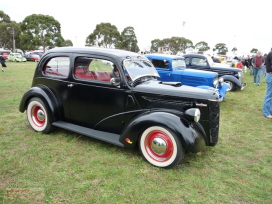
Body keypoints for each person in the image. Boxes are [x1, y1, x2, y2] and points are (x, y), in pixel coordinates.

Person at [263, 48, 272, 118]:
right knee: (269, 95)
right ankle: (266, 112)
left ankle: (270, 110)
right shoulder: (271, 53)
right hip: (270, 75)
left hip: (270, 75)